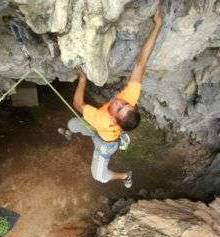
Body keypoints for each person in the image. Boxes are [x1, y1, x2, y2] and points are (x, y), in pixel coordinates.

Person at [58, 4, 163, 188]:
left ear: (114, 120)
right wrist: (157, 26)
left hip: (105, 143)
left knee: (99, 176)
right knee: (73, 124)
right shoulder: (129, 98)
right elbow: (141, 64)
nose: (119, 101)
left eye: (119, 108)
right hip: (98, 129)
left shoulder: (102, 119)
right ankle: (69, 132)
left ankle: (125, 176)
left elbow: (77, 103)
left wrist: (82, 78)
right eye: (126, 105)